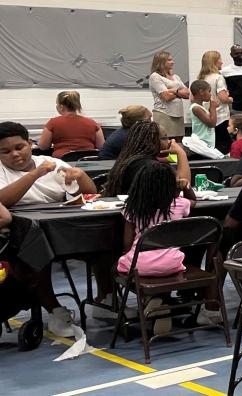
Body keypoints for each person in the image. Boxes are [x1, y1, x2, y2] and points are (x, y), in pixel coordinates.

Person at [0, 121, 100, 336]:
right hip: (20, 233)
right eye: (6, 151)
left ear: (30, 143)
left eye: (19, 147)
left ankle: (106, 299)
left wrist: (81, 177)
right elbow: (3, 201)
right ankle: (54, 310)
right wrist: (34, 175)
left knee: (104, 236)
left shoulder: (51, 162)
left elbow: (90, 193)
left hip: (63, 226)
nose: (15, 155)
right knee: (36, 249)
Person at [116, 160, 221, 331]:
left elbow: (127, 244)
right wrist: (186, 187)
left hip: (139, 267)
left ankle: (150, 300)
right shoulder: (179, 204)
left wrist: (126, 255)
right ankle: (159, 302)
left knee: (117, 266)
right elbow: (192, 201)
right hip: (172, 265)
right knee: (161, 266)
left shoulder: (132, 207)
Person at [102, 121, 191, 197]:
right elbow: (182, 187)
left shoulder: (129, 160)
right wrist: (181, 153)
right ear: (151, 141)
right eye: (165, 138)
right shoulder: (152, 167)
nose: (169, 141)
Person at [38, 91, 104, 158]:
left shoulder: (53, 123)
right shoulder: (92, 123)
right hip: (89, 162)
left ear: (61, 107)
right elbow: (101, 146)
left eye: (57, 104)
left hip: (63, 162)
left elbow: (43, 146)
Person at [198, 50, 233, 154]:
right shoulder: (218, 77)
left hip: (206, 117)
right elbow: (223, 98)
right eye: (220, 60)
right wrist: (230, 98)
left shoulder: (201, 78)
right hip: (220, 117)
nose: (222, 62)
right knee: (224, 145)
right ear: (214, 62)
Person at [148, 51, 189, 139]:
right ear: (161, 62)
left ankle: (175, 154)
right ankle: (170, 154)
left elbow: (187, 93)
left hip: (178, 114)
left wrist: (173, 91)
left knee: (178, 142)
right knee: (166, 142)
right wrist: (178, 92)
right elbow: (166, 97)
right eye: (169, 60)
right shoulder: (155, 77)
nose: (173, 62)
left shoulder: (176, 77)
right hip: (164, 114)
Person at [189, 80, 219, 150]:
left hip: (207, 144)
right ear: (201, 92)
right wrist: (213, 108)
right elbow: (212, 124)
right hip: (201, 144)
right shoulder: (196, 108)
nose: (210, 94)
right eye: (209, 91)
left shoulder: (201, 108)